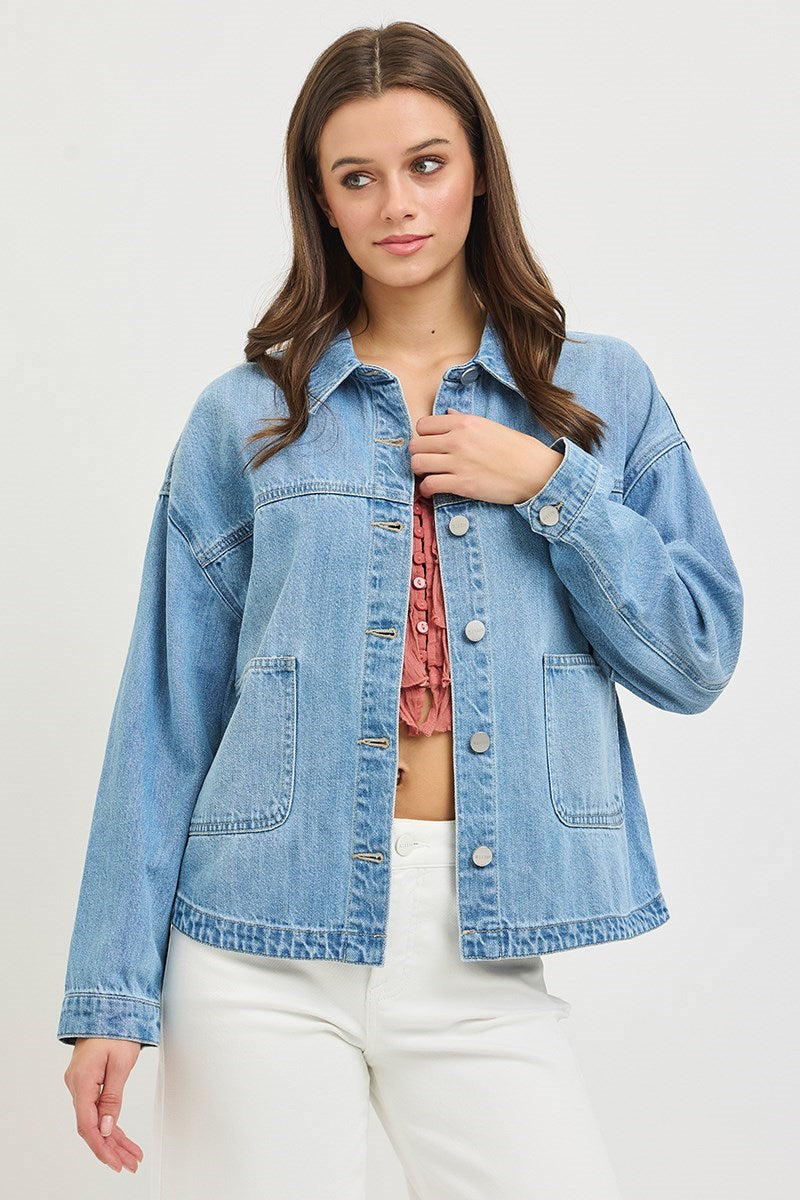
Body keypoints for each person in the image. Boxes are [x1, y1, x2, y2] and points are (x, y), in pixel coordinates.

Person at [58, 21, 744, 1200]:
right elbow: (166, 712)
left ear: (477, 165)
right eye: (355, 177)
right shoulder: (244, 417)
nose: (396, 205)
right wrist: (108, 995)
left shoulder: (597, 393)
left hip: (476, 945)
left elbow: (694, 654)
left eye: (425, 163)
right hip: (252, 943)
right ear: (320, 201)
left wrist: (550, 484)